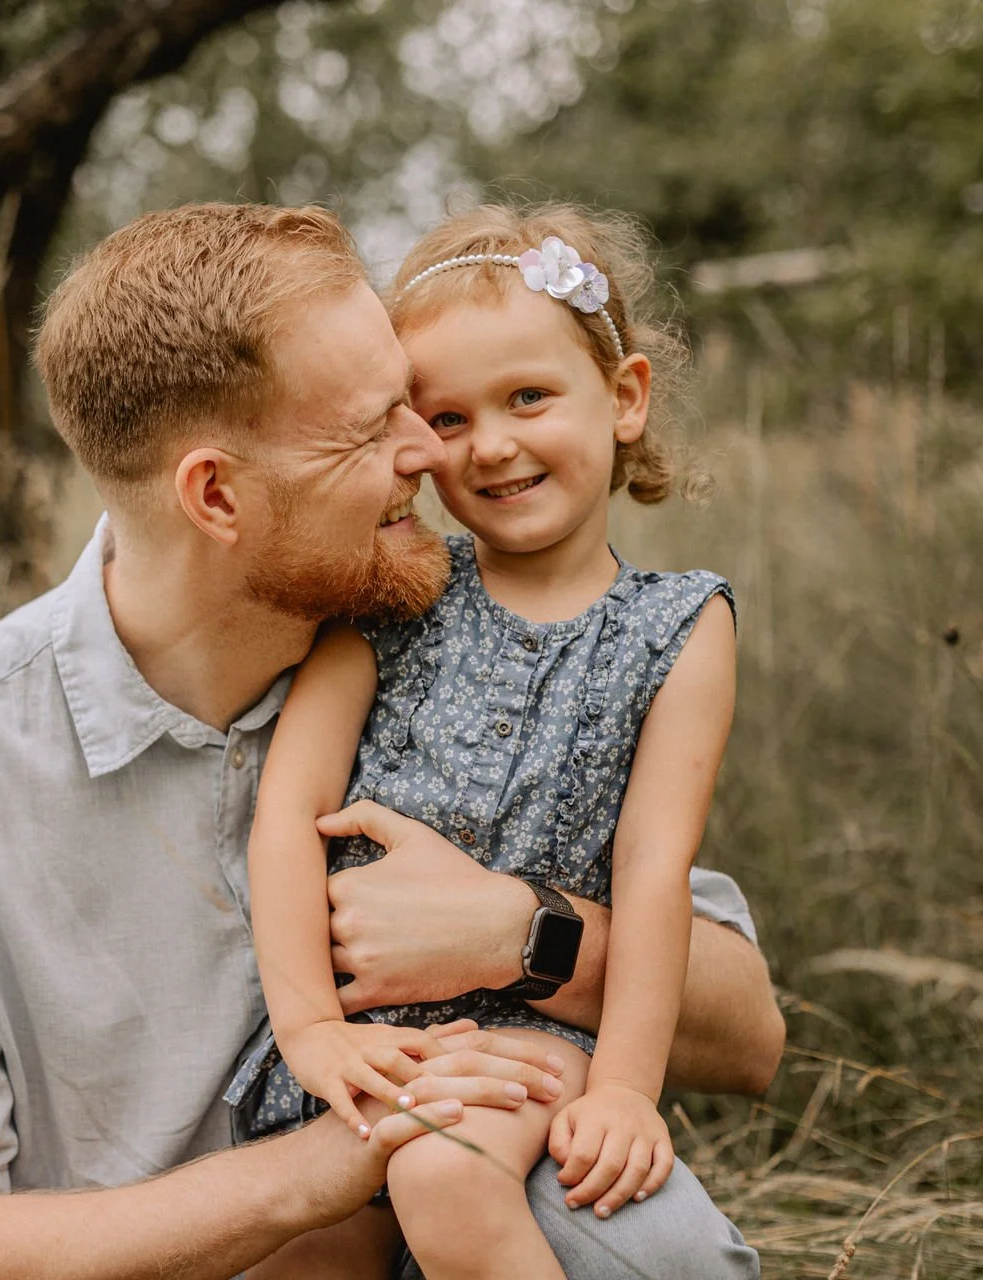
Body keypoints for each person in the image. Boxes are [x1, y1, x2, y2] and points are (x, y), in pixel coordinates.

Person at [0, 202, 783, 1280]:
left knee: (659, 1243)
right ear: (216, 493)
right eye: (380, 426)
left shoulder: (446, 639)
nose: (434, 452)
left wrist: (521, 932)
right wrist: (323, 1166)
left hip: (469, 1173)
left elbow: (748, 1034)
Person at [236, 203, 742, 1280]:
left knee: (445, 1173)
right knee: (306, 1242)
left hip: (534, 1043)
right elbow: (288, 813)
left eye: (528, 397)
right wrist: (312, 1030)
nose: (495, 443)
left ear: (624, 397)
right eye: (450, 417)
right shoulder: (394, 595)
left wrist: (626, 1088)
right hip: (366, 1042)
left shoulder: (678, 627)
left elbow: (655, 871)